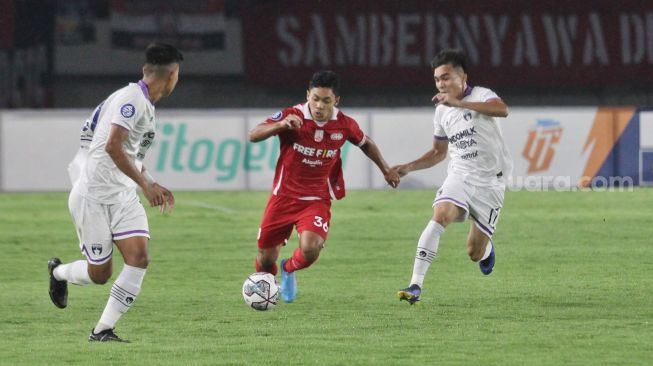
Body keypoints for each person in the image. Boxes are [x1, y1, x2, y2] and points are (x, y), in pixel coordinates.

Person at [48, 42, 183, 342]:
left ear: (146, 69)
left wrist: (150, 180)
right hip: (93, 197)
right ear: (172, 75)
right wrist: (146, 186)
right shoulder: (131, 99)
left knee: (139, 258)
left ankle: (102, 330)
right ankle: (58, 273)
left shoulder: (141, 102)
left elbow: (129, 153)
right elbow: (112, 146)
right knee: (100, 274)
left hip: (122, 197)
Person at [249, 70, 400, 303]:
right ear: (308, 95)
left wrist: (385, 169)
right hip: (283, 197)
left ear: (336, 101)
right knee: (265, 258)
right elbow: (254, 134)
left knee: (311, 248)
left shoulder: (345, 124)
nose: (319, 105)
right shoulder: (292, 115)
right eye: (315, 98)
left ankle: (288, 268)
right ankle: (265, 293)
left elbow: (365, 143)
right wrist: (280, 125)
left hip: (316, 199)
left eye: (326, 100)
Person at [394, 49, 513, 305]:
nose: (441, 84)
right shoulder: (441, 112)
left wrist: (459, 104)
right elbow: (439, 152)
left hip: (491, 183)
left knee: (474, 252)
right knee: (440, 215)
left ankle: (487, 249)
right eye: (437, 79)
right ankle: (415, 284)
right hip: (460, 176)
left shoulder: (481, 95)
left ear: (463, 77)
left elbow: (502, 110)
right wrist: (408, 167)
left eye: (446, 77)